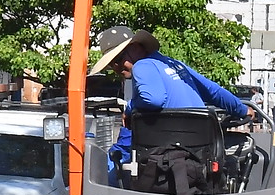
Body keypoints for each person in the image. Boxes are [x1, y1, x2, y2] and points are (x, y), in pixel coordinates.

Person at [108, 31, 258, 180]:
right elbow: (214, 92)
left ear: (136, 47)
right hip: (202, 154)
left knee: (112, 173)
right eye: (111, 64)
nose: (116, 67)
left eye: (119, 59)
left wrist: (129, 107)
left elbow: (153, 99)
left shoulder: (141, 65)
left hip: (166, 157)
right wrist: (243, 110)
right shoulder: (176, 65)